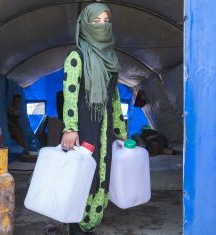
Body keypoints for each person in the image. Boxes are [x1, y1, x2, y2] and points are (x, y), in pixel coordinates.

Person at [61, 3, 127, 234]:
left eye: (105, 20)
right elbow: (70, 93)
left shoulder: (111, 59)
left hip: (105, 124)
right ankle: (75, 226)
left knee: (102, 173)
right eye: (95, 21)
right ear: (85, 24)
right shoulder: (76, 56)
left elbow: (115, 97)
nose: (102, 25)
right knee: (81, 176)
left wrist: (120, 131)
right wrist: (70, 128)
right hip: (84, 125)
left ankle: (90, 223)